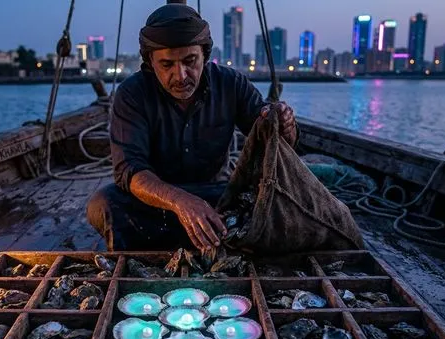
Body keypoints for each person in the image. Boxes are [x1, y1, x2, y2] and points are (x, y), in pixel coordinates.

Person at [86, 3, 298, 252]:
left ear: (205, 56)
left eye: (190, 61)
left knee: (278, 200)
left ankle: (202, 238)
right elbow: (130, 172)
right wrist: (180, 202)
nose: (181, 75)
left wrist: (285, 125)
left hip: (218, 197)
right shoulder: (132, 95)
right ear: (150, 63)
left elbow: (277, 144)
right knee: (103, 204)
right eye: (167, 65)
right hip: (157, 203)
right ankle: (217, 241)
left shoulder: (231, 83)